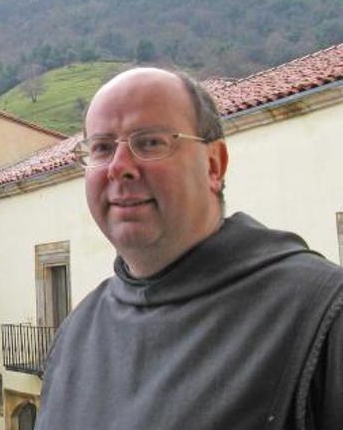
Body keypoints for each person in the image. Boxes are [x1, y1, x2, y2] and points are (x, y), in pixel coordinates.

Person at [36, 68, 343, 429]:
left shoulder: (320, 315)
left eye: (150, 142)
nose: (119, 168)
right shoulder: (76, 334)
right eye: (102, 148)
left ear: (214, 165)